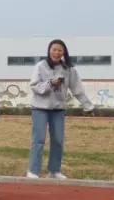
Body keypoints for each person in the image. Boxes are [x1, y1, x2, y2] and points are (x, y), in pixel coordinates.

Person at [27, 39, 95, 180]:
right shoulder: (41, 66)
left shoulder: (68, 69)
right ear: (49, 51)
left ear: (64, 52)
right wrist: (50, 83)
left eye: (59, 50)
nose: (56, 52)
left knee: (58, 140)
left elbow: (77, 89)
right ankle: (33, 171)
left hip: (58, 109)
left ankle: (54, 170)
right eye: (54, 49)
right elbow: (34, 86)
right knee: (38, 139)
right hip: (40, 108)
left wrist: (88, 105)